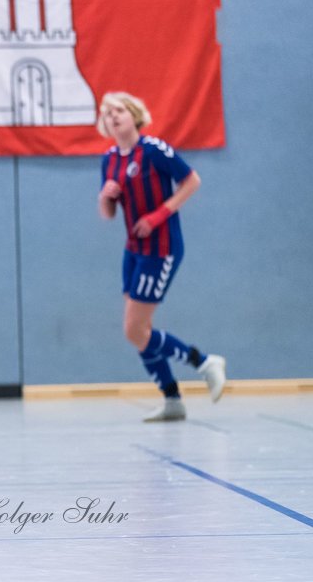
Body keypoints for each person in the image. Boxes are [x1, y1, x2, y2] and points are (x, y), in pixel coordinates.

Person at [97, 92, 226, 421]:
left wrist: (158, 215)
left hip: (161, 247)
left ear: (135, 114)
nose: (113, 116)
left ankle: (204, 361)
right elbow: (108, 213)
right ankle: (172, 400)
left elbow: (191, 180)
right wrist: (106, 197)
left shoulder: (153, 150)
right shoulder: (110, 159)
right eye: (107, 112)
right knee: (139, 328)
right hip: (133, 249)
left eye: (119, 110)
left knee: (134, 330)